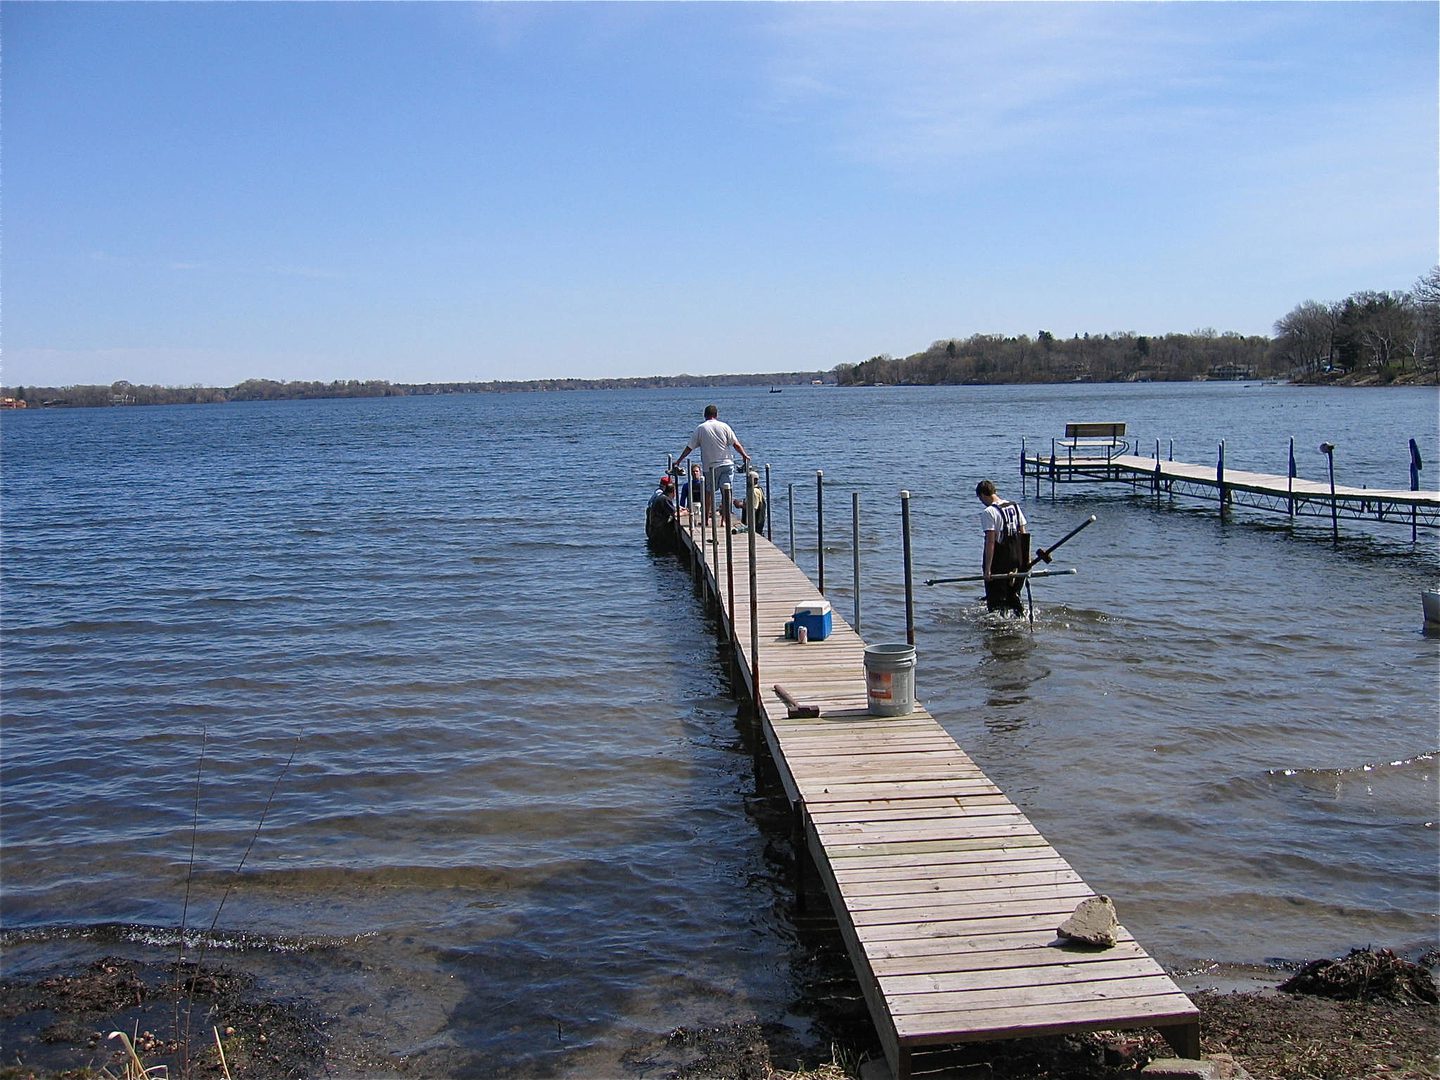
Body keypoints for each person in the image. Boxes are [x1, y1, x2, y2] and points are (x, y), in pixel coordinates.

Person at [675, 404, 748, 528]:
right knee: (726, 492)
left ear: (705, 415)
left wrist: (679, 461)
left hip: (710, 466)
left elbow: (689, 447)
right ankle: (724, 520)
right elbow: (735, 444)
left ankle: (706, 520)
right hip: (727, 464)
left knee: (708, 493)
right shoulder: (725, 426)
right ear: (716, 415)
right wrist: (744, 455)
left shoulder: (700, 428)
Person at [976, 479, 1029, 616]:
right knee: (1013, 593)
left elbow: (990, 542)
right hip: (1017, 557)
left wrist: (987, 569)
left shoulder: (989, 512)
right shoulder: (1014, 506)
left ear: (982, 495)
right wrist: (1026, 560)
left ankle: (998, 628)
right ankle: (1020, 618)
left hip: (1000, 560)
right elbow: (1023, 533)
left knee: (996, 601)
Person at [645, 475, 676, 548]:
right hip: (657, 526)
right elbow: (672, 511)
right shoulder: (662, 496)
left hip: (652, 524)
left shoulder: (658, 493)